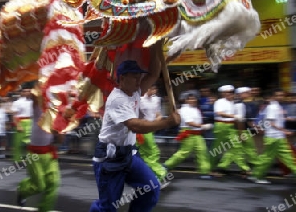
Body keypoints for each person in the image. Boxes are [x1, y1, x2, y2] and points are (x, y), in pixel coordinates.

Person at [90, 60, 180, 212]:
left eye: (139, 76)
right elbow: (135, 125)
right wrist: (167, 122)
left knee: (151, 188)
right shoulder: (117, 98)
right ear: (122, 78)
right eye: (134, 76)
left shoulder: (135, 92)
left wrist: (156, 46)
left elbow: (153, 74)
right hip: (110, 157)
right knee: (108, 207)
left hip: (130, 153)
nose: (139, 80)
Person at [16, 85, 61, 212]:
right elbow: (36, 92)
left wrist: (61, 130)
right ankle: (22, 190)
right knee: (39, 186)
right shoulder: (38, 105)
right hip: (35, 154)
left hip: (50, 154)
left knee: (53, 185)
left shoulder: (59, 110)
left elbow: (60, 139)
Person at [250, 89, 296, 184]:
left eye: (282, 95)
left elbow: (279, 120)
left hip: (279, 137)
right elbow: (271, 123)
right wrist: (285, 131)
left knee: (289, 157)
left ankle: (256, 175)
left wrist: (286, 122)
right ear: (274, 96)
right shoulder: (272, 107)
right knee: (267, 158)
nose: (281, 97)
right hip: (272, 137)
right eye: (278, 95)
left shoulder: (278, 107)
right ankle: (256, 176)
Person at [163, 94, 213, 179]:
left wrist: (202, 127)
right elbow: (189, 122)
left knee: (202, 151)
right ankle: (167, 165)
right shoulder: (184, 109)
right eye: (191, 99)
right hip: (188, 133)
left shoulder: (196, 109)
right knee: (184, 153)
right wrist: (203, 126)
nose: (193, 100)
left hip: (197, 134)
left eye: (194, 99)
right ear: (186, 100)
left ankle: (204, 171)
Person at [210, 85, 250, 177]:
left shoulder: (234, 103)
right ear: (223, 93)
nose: (229, 94)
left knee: (237, 147)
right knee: (217, 149)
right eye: (227, 92)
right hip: (221, 126)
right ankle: (211, 169)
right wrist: (234, 116)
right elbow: (220, 113)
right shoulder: (219, 102)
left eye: (231, 92)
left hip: (231, 126)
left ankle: (244, 169)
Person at [136, 84, 168, 186]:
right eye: (152, 89)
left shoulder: (156, 100)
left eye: (155, 89)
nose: (154, 91)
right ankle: (159, 174)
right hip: (142, 129)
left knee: (145, 154)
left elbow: (158, 114)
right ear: (147, 89)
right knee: (152, 152)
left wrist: (157, 120)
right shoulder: (139, 100)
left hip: (150, 129)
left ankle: (149, 177)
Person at [235, 87, 259, 168]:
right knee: (248, 150)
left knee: (244, 150)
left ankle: (246, 169)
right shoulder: (239, 104)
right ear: (241, 94)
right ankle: (252, 168)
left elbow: (248, 118)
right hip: (241, 130)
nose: (250, 94)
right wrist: (241, 133)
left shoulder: (245, 103)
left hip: (244, 129)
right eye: (247, 92)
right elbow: (240, 120)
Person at [11, 88, 34, 162]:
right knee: (18, 143)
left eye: (29, 91)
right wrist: (18, 125)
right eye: (25, 91)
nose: (27, 92)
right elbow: (14, 115)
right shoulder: (17, 102)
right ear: (21, 93)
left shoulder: (32, 101)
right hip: (21, 121)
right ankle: (17, 159)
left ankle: (29, 158)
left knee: (30, 142)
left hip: (31, 121)